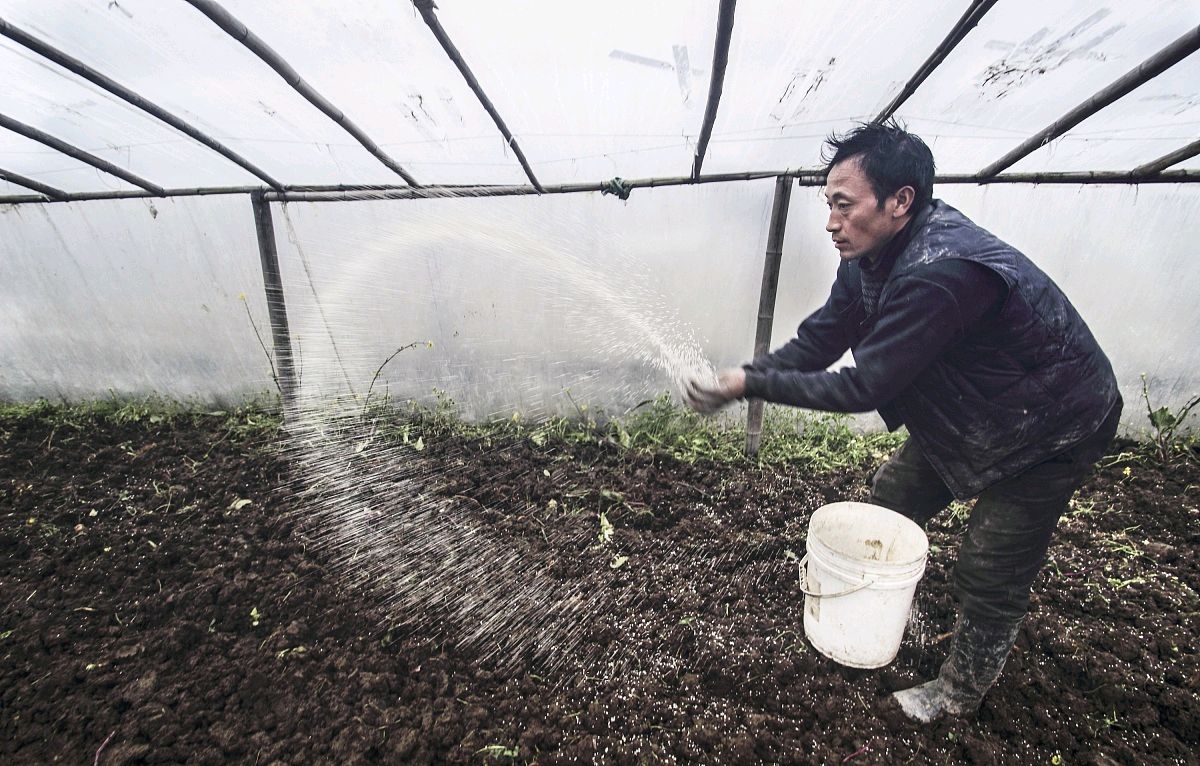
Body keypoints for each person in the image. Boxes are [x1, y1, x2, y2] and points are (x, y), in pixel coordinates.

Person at [684, 121, 1121, 723]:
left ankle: (958, 694)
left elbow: (865, 386)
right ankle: (883, 603)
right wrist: (749, 374)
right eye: (828, 205)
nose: (831, 222)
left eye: (844, 204)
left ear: (900, 201)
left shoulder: (941, 272)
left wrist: (747, 384)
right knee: (892, 496)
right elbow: (822, 338)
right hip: (978, 411)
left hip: (1053, 424)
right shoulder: (871, 256)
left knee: (990, 563)